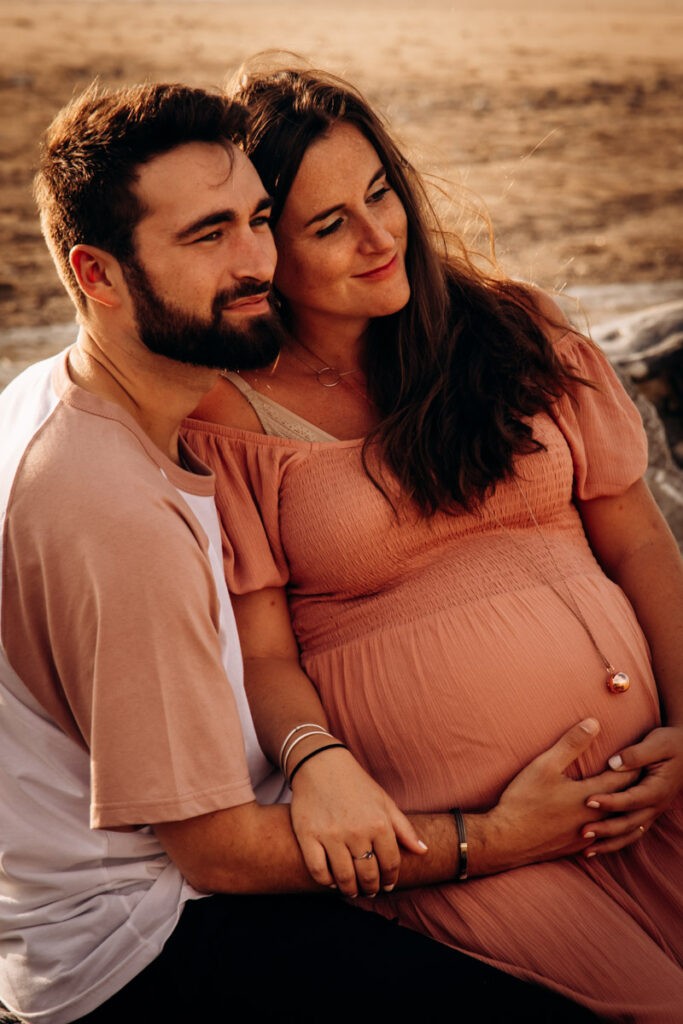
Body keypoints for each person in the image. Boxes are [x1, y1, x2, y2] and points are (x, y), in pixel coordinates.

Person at [0, 80, 608, 1024]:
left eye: (256, 219)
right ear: (97, 275)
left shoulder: (85, 396)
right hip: (152, 936)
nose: (255, 261)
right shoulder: (110, 507)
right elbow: (218, 853)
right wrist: (495, 836)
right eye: (207, 236)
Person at [183, 63, 683, 1022]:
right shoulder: (224, 420)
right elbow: (264, 654)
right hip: (473, 850)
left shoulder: (512, 330)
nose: (380, 239)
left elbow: (641, 547)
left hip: (650, 796)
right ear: (261, 254)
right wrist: (314, 761)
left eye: (380, 194)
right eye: (330, 225)